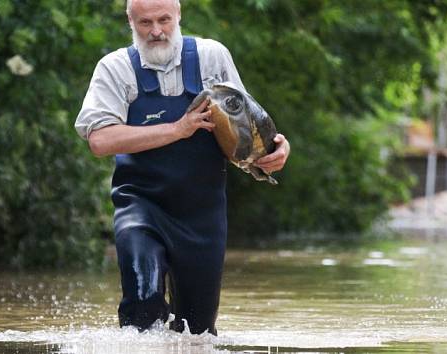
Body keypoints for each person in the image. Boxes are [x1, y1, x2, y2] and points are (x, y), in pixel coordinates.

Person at [74, 0, 290, 335]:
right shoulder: (115, 68)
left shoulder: (212, 57)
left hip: (203, 215)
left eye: (164, 20)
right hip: (141, 207)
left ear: (179, 16)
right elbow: (100, 141)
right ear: (129, 20)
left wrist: (274, 151)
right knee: (142, 308)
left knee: (197, 332)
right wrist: (179, 128)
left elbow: (245, 134)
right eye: (145, 22)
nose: (156, 31)